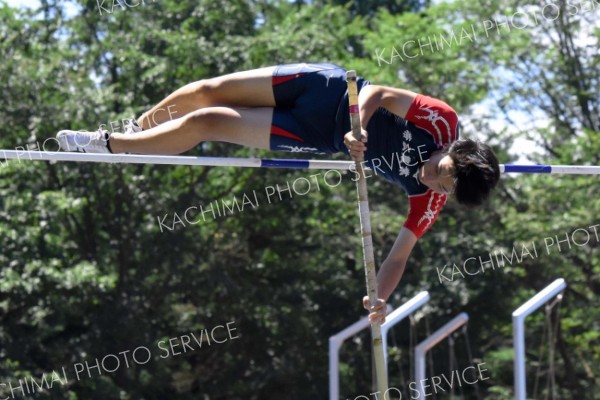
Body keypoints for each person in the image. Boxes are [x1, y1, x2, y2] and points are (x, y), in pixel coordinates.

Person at [56, 62, 500, 324]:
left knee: (207, 121)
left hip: (310, 133)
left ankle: (110, 148)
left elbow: (399, 256)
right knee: (203, 91)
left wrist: (381, 298)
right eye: (441, 171)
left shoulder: (431, 200)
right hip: (322, 89)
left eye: (443, 187)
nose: (431, 181)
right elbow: (381, 92)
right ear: (452, 150)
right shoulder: (441, 120)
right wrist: (358, 126)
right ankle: (131, 133)